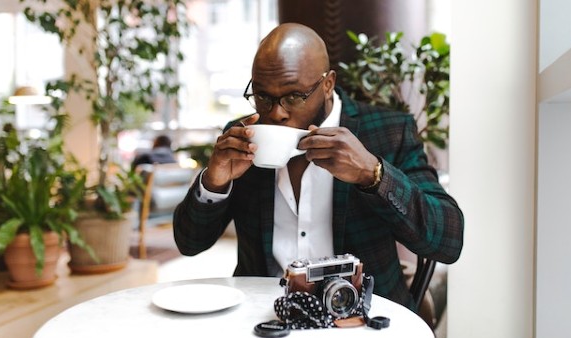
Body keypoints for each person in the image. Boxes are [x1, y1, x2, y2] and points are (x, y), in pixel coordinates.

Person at [173, 23, 464, 312]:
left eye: (292, 97)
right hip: (263, 315)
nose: (276, 113)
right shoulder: (241, 137)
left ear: (327, 84)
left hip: (361, 317)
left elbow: (448, 241)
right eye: (262, 96)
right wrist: (214, 183)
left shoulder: (388, 132)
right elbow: (189, 244)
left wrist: (373, 174)